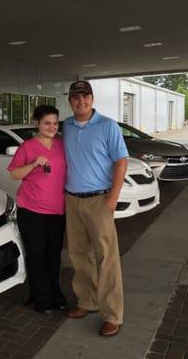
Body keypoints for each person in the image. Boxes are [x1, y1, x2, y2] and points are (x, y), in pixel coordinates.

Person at [62, 80, 128, 337]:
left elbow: (121, 162)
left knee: (106, 259)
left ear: (92, 98)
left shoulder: (108, 126)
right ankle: (86, 301)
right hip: (72, 200)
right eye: (76, 97)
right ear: (70, 101)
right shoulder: (66, 126)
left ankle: (112, 314)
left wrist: (113, 197)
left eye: (85, 96)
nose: (81, 101)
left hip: (99, 200)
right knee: (79, 255)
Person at [8, 105, 67, 315]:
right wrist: (33, 164)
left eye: (55, 123)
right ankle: (42, 300)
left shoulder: (61, 145)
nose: (51, 127)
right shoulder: (28, 146)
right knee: (36, 255)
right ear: (37, 124)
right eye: (47, 123)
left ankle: (54, 294)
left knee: (53, 255)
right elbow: (14, 174)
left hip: (57, 211)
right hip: (32, 211)